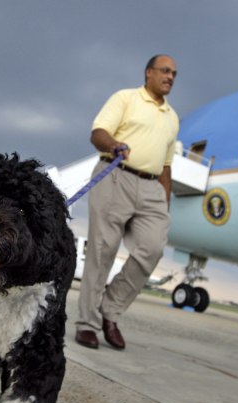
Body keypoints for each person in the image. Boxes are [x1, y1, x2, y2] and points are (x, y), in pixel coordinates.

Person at [75, 54, 179, 351]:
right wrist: (114, 145)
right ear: (149, 73)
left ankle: (110, 309)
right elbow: (98, 134)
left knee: (152, 248)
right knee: (102, 250)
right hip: (116, 175)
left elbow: (167, 165)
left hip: (152, 187)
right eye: (165, 71)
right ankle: (87, 324)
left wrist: (164, 203)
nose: (170, 77)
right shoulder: (125, 98)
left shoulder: (171, 118)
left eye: (174, 73)